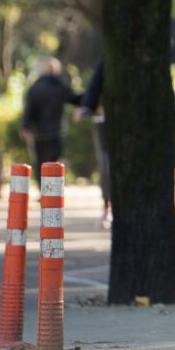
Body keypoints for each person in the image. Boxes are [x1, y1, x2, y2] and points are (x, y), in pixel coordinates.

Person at [21, 57, 80, 181]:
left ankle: (43, 190)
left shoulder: (35, 87)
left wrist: (25, 126)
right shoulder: (60, 86)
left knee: (40, 161)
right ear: (57, 70)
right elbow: (75, 99)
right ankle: (51, 190)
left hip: (39, 133)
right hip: (56, 132)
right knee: (53, 161)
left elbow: (29, 109)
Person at [73, 60, 111, 228]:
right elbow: (96, 83)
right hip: (106, 120)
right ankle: (107, 207)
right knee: (106, 164)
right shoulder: (109, 58)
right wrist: (86, 106)